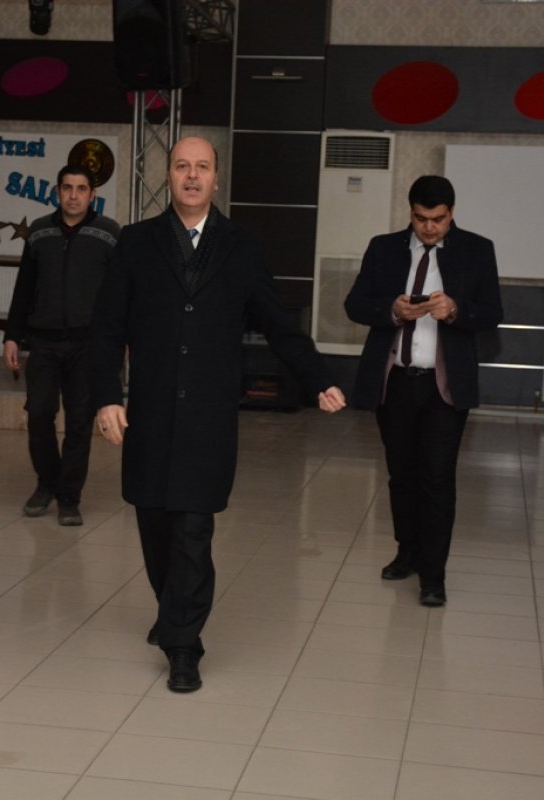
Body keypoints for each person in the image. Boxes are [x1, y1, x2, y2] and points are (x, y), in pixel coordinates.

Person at [89, 136, 346, 693]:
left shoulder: (241, 247)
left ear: (215, 178)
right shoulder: (135, 243)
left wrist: (319, 377)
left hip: (208, 419)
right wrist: (107, 396)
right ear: (168, 176)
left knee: (192, 529)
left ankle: (184, 645)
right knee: (155, 525)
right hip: (150, 415)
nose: (191, 175)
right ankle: (172, 609)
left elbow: (278, 324)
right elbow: (107, 327)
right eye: (182, 166)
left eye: (202, 167)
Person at [344, 175, 503, 608]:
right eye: (421, 219)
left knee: (436, 478)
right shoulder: (383, 248)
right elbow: (354, 305)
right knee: (401, 475)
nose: (429, 227)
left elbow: (492, 312)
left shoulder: (477, 249)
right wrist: (391, 310)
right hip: (395, 381)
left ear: (452, 213)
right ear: (410, 212)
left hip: (444, 388)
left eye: (438, 219)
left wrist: (455, 310)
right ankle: (408, 552)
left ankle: (434, 575)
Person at [4, 164, 120, 526]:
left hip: (89, 345)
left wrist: (121, 339)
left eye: (81, 189)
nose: (73, 195)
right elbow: (24, 287)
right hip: (43, 342)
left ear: (93, 195)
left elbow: (120, 295)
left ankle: (69, 498)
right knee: (39, 415)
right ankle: (46, 484)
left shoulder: (109, 234)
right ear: (57, 192)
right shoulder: (39, 232)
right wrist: (12, 335)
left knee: (80, 423)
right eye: (67, 188)